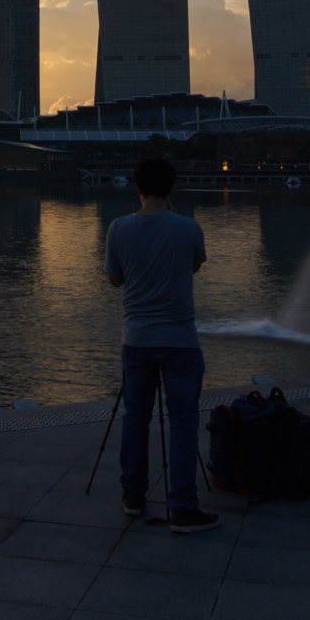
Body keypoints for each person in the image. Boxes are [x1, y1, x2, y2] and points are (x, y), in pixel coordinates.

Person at [104, 157, 220, 533]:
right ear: (172, 189)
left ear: (136, 187)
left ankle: (133, 495)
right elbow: (195, 268)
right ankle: (183, 506)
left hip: (136, 339)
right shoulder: (189, 228)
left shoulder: (118, 228)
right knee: (183, 421)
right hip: (180, 341)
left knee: (135, 417)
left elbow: (115, 281)